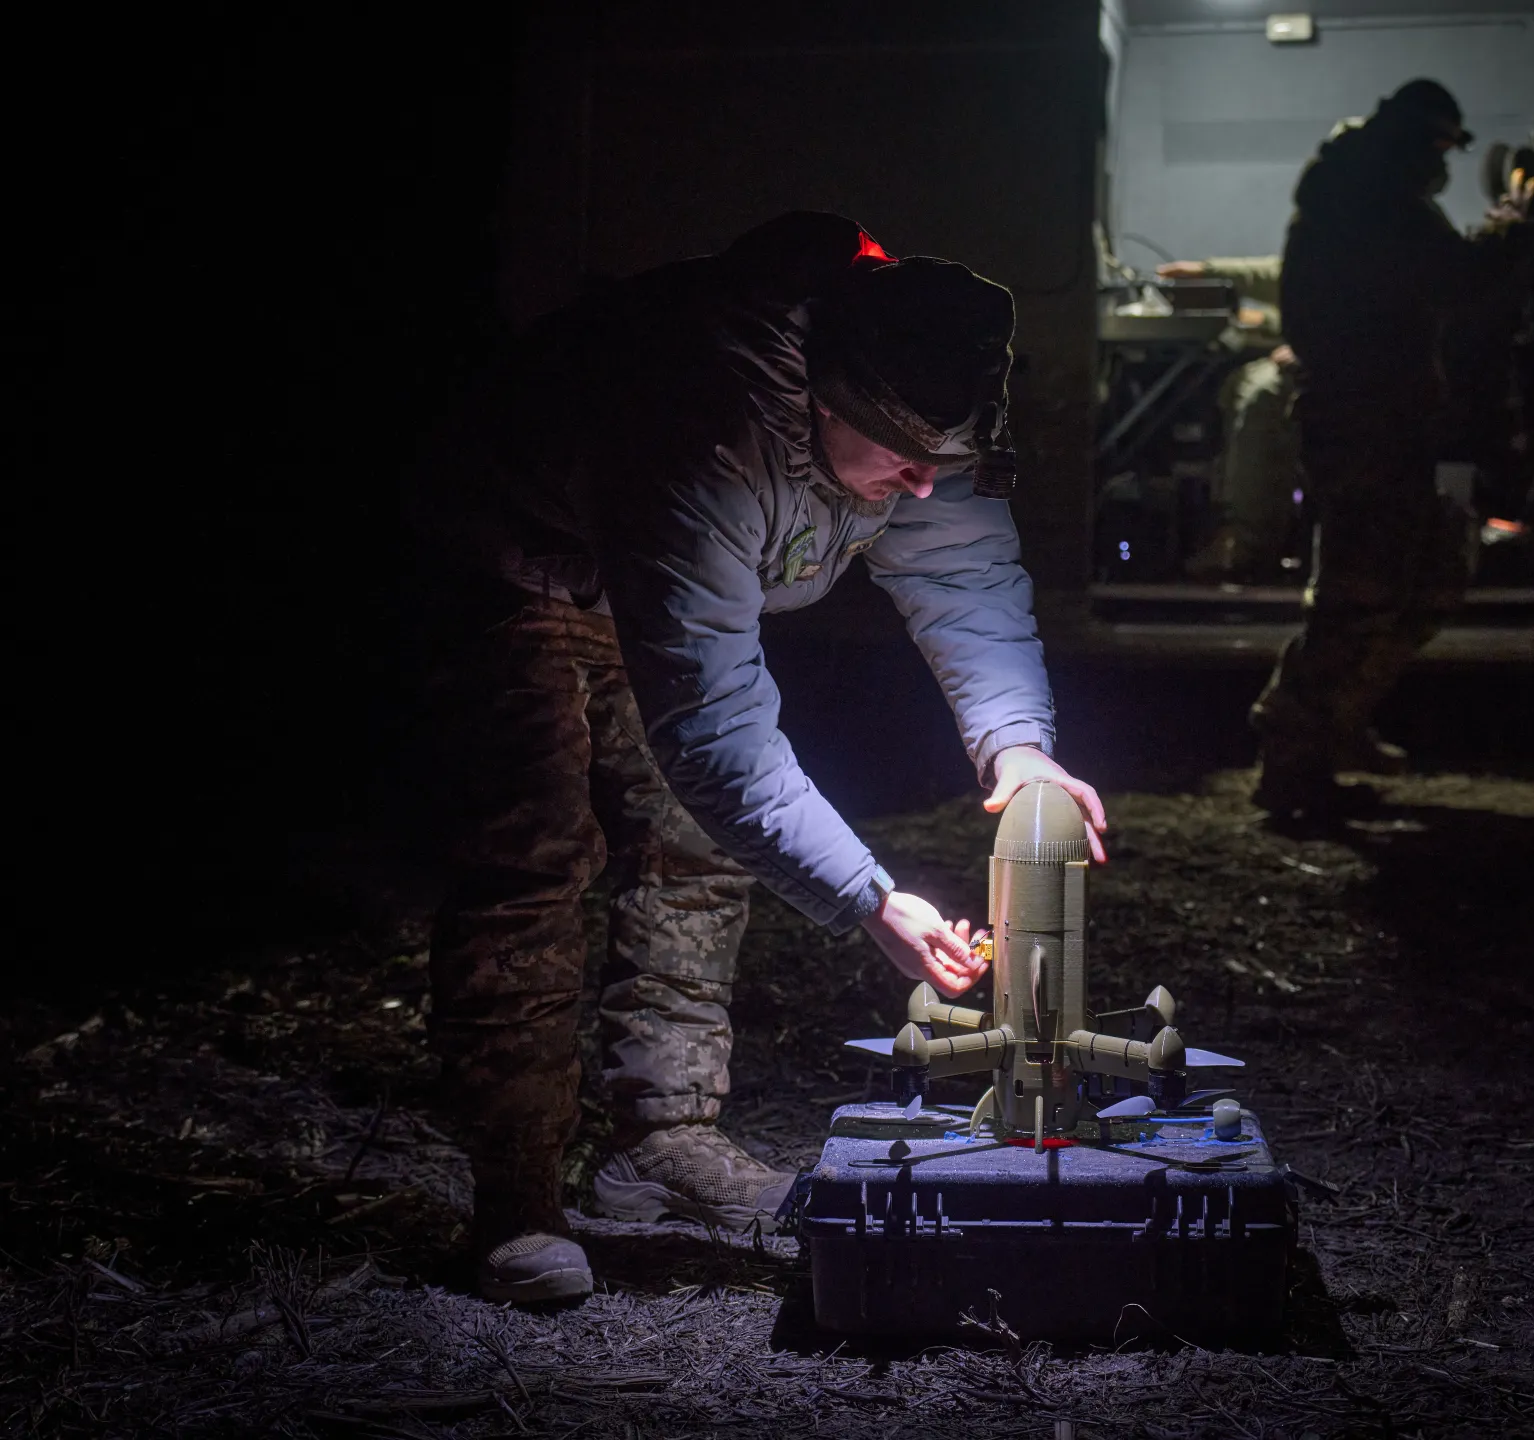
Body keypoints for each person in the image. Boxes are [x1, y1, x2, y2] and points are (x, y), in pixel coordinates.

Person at [414, 212, 1107, 1304]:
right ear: (823, 399)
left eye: (946, 460)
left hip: (655, 552)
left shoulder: (929, 407)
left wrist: (1017, 747)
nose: (925, 486)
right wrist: (871, 898)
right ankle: (515, 1197)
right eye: (904, 458)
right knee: (535, 849)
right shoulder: (703, 427)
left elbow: (966, 579)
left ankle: (660, 1136)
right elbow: (717, 729)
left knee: (697, 844)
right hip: (518, 552)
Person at [1250, 79, 1534, 814]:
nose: (1445, 163)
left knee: (1428, 576)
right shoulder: (1371, 201)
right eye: (1443, 147)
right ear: (1418, 142)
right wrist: (1519, 217)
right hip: (1363, 424)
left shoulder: (1361, 189)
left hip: (1381, 422)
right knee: (1359, 595)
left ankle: (1333, 724)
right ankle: (1292, 753)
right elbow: (1461, 275)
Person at [1151, 255, 1303, 584]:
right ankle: (1231, 523)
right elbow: (1296, 276)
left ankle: (1249, 544)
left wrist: (1314, 346)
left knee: (1262, 396)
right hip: (1336, 346)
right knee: (1238, 384)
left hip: (1362, 356)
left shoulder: (1377, 231)